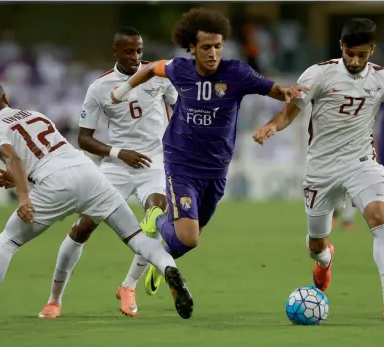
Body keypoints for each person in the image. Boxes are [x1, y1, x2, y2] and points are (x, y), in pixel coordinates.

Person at [0, 80, 193, 327]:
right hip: (87, 172)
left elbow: (13, 156)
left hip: (54, 184)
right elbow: (45, 153)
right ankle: (168, 269)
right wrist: (19, 178)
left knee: (8, 241)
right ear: (5, 98)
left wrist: (23, 197)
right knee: (136, 237)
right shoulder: (35, 115)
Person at [111, 7, 307, 281]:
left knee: (187, 238)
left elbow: (275, 90)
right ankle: (156, 217)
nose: (213, 53)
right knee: (190, 237)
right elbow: (149, 69)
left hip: (216, 167)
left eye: (217, 46)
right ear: (192, 48)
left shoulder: (237, 73)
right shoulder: (179, 69)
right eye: (206, 47)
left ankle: (161, 262)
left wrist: (286, 91)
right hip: (181, 160)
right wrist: (121, 91)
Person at [35, 26, 177, 318]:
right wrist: (117, 152)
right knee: (82, 228)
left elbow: (178, 112)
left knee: (155, 215)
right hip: (116, 167)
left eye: (139, 51)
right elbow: (83, 138)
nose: (135, 57)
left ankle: (128, 285)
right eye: (129, 51)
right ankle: (54, 299)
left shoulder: (159, 76)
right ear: (115, 52)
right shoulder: (100, 87)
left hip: (154, 163)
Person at [253, 18, 384, 316]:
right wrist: (272, 126)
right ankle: (325, 261)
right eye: (350, 53)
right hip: (321, 170)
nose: (355, 60)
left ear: (372, 50)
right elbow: (289, 113)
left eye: (362, 55)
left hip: (361, 162)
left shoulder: (380, 78)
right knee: (316, 244)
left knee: (380, 220)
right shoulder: (319, 74)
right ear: (341, 47)